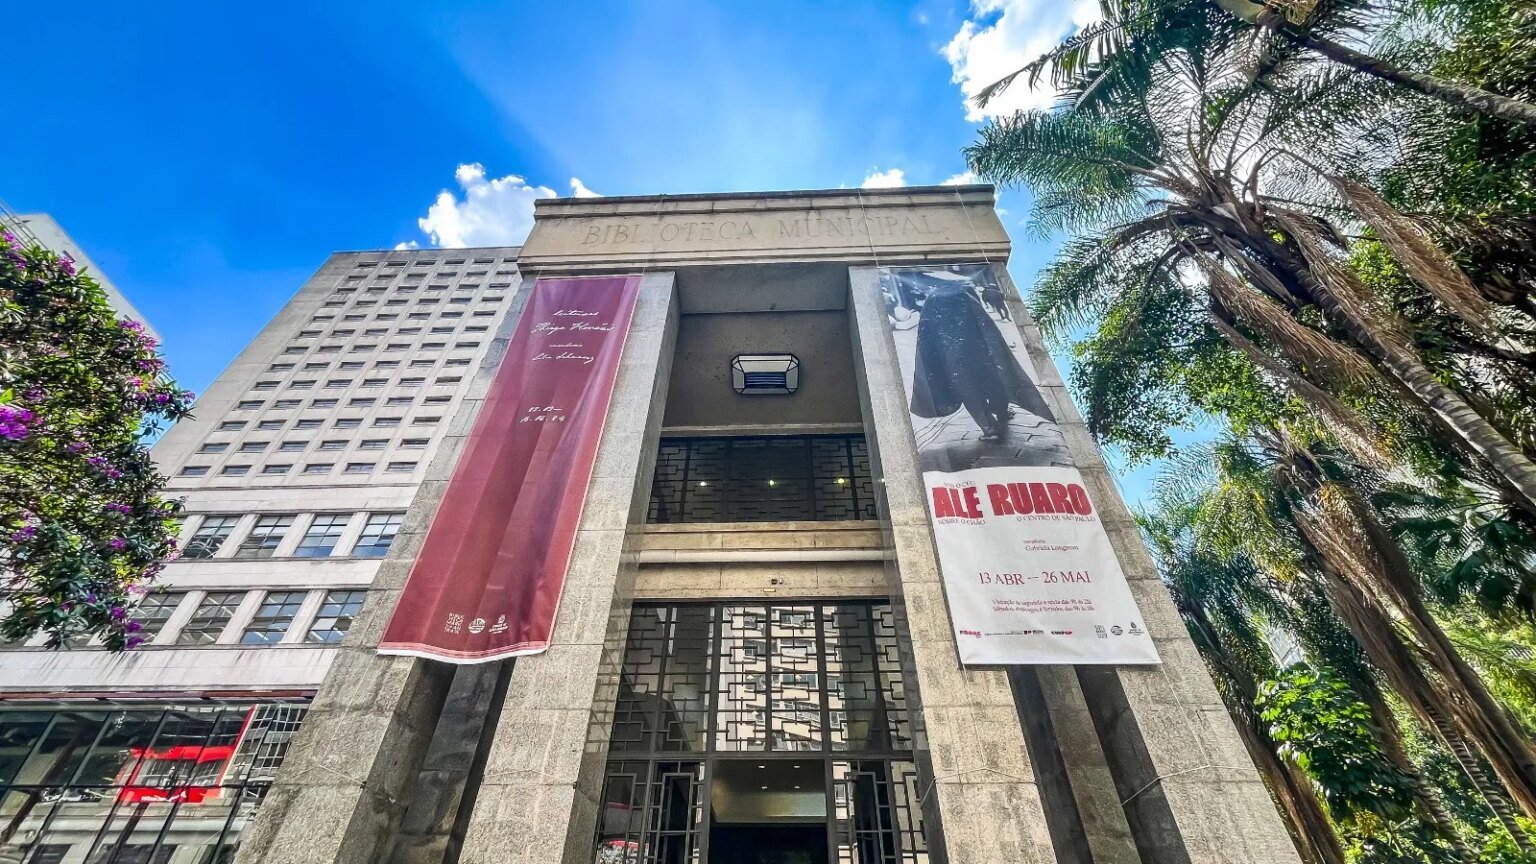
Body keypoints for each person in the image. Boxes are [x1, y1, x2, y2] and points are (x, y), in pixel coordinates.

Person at [906, 271, 1052, 441]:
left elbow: (927, 339)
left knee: (971, 390)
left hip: (955, 356)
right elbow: (985, 324)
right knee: (990, 382)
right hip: (975, 350)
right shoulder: (963, 292)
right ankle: (1000, 414)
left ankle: (989, 426)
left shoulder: (934, 301)